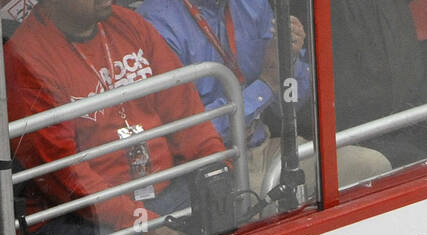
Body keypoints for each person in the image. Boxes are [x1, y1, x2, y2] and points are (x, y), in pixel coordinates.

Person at [4, 0, 230, 235]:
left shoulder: (127, 23)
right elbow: (66, 178)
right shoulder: (25, 55)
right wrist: (143, 223)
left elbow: (185, 110)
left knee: (235, 219)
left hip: (165, 191)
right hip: (85, 222)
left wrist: (217, 174)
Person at [138, 0, 389, 203]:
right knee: (270, 214)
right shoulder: (155, 22)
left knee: (371, 165)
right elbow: (187, 135)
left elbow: (290, 105)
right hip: (211, 168)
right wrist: (266, 84)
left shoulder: (252, 4)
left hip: (266, 148)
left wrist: (288, 61)